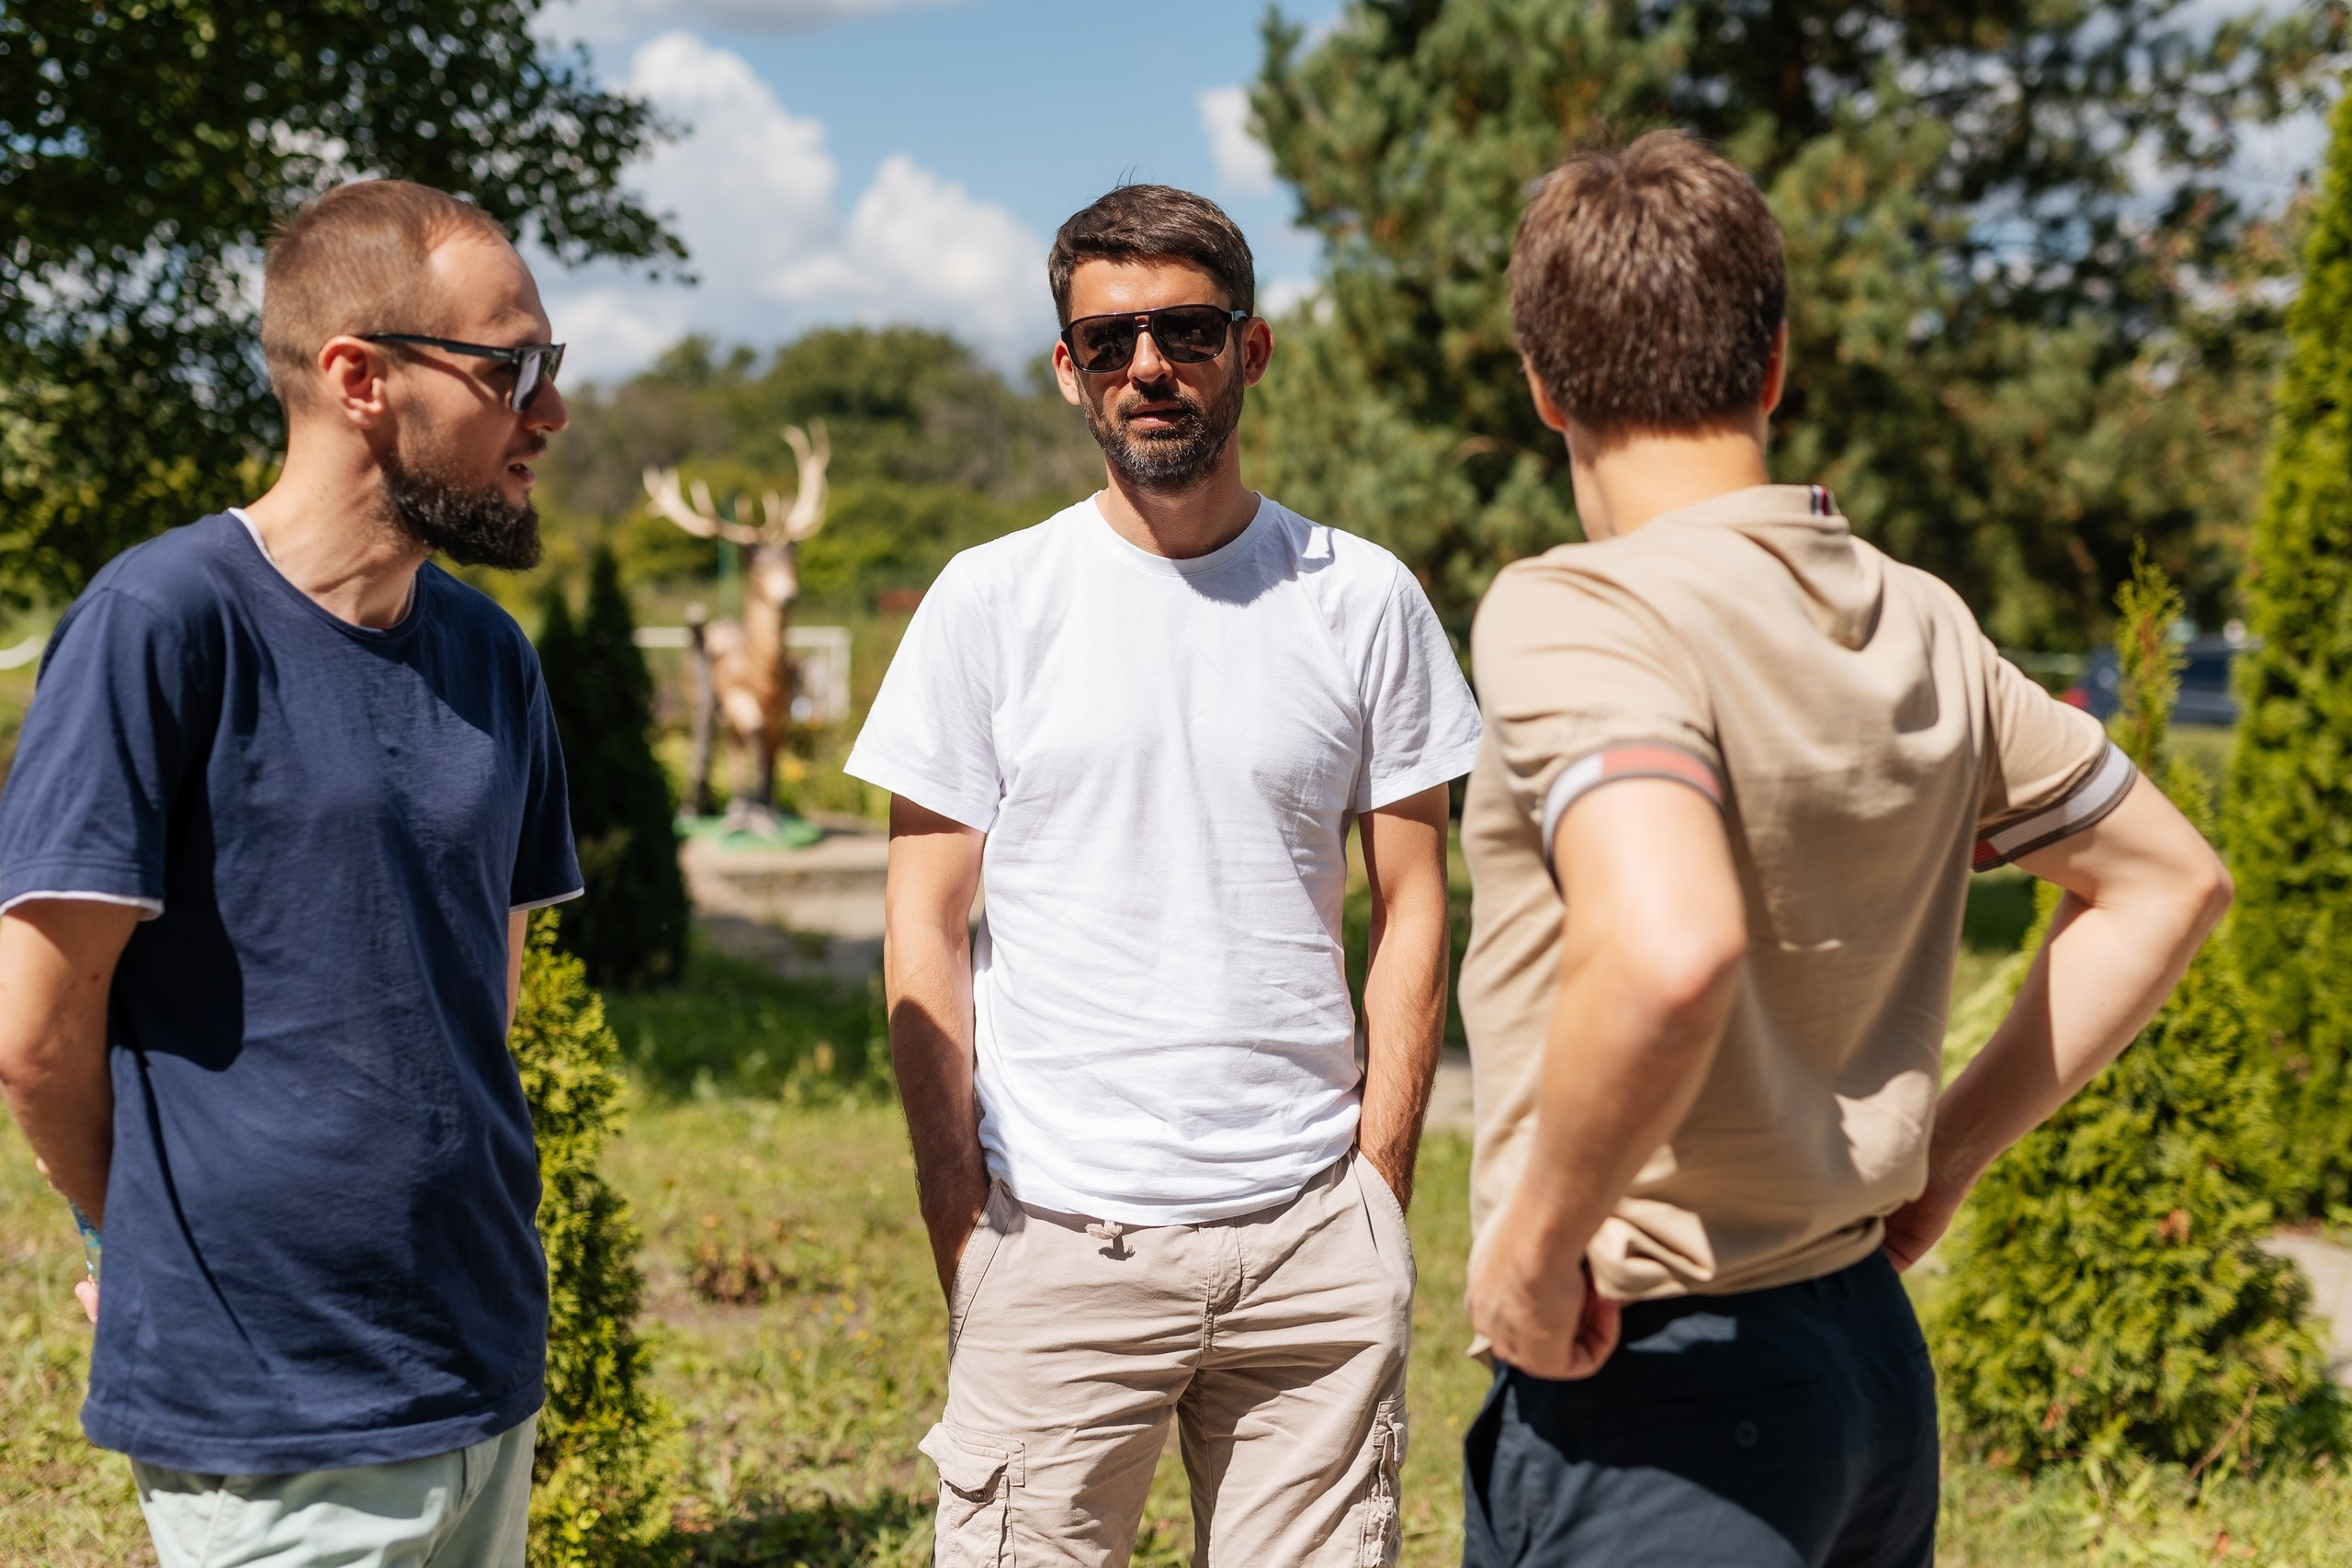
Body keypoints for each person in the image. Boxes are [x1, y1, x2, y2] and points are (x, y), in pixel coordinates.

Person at [1456, 131, 2233, 1567]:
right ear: (1774, 366)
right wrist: (1946, 1159)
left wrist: (1531, 1252)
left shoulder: (1578, 610)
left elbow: (1670, 948)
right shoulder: (1921, 619)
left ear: (1544, 385)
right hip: (1866, 1366)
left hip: (1656, 1382)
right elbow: (2170, 882)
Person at [846, 184, 1483, 1565]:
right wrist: (962, 1219)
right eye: (1111, 340)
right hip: (1058, 1238)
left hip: (1312, 1246)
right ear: (1068, 368)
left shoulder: (1364, 598)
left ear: (1250, 350)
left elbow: (1415, 906)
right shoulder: (989, 603)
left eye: (1187, 331)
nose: (1150, 365)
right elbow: (922, 927)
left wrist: (1378, 1190)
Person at [0, 179, 581, 1568]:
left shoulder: (491, 655)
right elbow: (35, 1035)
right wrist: (137, 1239)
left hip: (479, 1361)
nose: (552, 410)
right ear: (359, 378)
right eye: (513, 368)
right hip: (270, 1402)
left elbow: (480, 1004)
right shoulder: (162, 622)